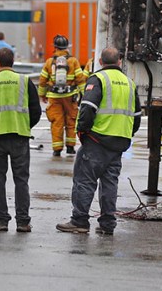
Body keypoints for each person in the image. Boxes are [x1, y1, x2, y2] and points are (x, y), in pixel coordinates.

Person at [56, 47, 141, 235]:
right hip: (119, 142)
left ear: (100, 62)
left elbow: (87, 109)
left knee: (84, 181)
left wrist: (82, 132)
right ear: (119, 61)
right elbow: (136, 116)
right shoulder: (130, 83)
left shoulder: (98, 79)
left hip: (97, 140)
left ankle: (79, 221)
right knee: (110, 183)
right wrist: (126, 134)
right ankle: (107, 224)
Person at [0, 48, 42, 232]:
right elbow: (36, 111)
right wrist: (24, 125)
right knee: (21, 180)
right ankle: (22, 222)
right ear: (13, 61)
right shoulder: (25, 81)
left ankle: (2, 221)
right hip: (20, 137)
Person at [38, 34, 85, 156]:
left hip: (54, 97)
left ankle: (57, 149)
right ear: (66, 47)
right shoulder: (73, 61)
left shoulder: (49, 62)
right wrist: (84, 94)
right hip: (70, 97)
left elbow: (42, 80)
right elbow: (80, 79)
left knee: (56, 122)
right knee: (71, 120)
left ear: (55, 47)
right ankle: (70, 147)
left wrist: (42, 95)